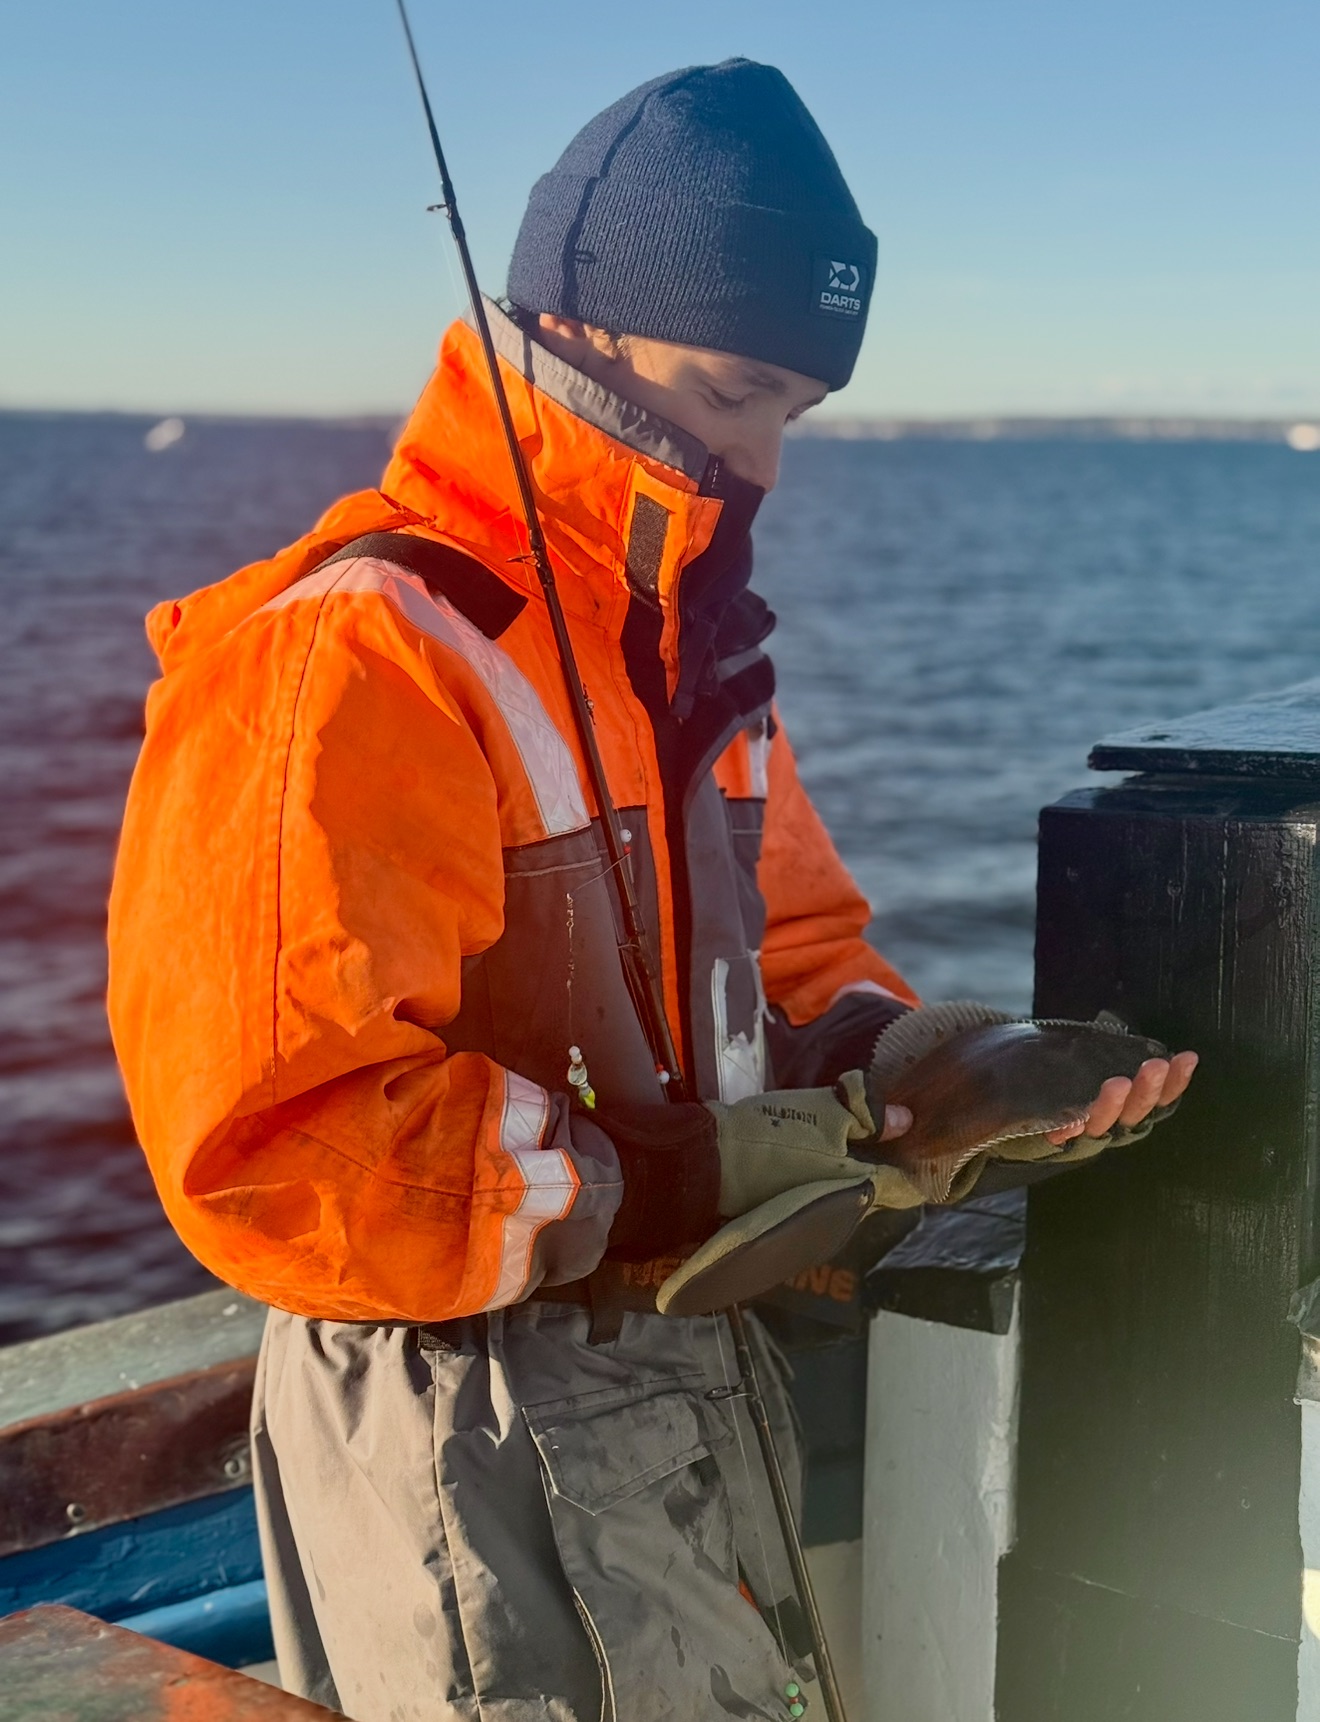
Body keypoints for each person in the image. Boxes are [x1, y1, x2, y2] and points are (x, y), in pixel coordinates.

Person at [107, 58, 1195, 1722]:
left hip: (691, 1390)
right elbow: (276, 1148)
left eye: (794, 412)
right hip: (461, 1442)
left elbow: (800, 971)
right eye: (737, 386)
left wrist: (925, 1071)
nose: (764, 458)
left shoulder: (697, 669)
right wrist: (697, 1179)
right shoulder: (354, 657)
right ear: (582, 329)